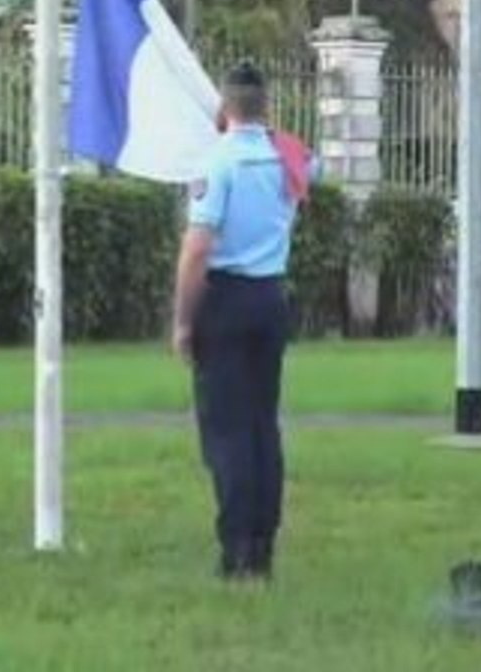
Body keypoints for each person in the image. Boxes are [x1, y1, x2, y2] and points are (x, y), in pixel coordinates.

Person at [172, 62, 319, 580]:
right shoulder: (288, 158)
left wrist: (183, 321)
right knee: (262, 425)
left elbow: (197, 250)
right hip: (270, 297)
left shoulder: (218, 163)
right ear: (266, 105)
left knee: (228, 431)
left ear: (223, 107)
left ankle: (237, 553)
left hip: (226, 300)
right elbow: (313, 167)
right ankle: (263, 545)